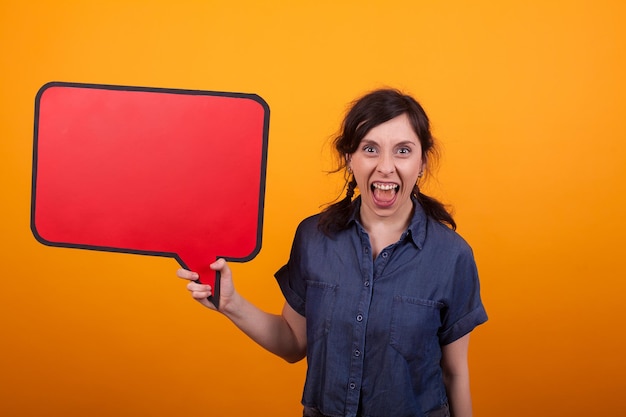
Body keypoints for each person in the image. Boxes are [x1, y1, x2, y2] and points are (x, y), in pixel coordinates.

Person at [177, 88, 488, 417]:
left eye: (403, 151)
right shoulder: (314, 237)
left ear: (422, 162)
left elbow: (454, 374)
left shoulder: (452, 257)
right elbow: (293, 342)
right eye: (370, 149)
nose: (385, 166)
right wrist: (230, 303)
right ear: (349, 158)